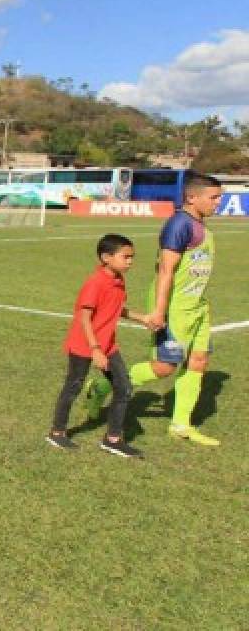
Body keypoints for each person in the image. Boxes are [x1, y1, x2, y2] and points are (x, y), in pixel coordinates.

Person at [86, 172, 224, 446]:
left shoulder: (202, 226)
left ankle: (180, 425)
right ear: (191, 197)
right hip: (174, 307)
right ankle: (102, 386)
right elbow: (165, 271)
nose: (218, 202)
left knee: (198, 362)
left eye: (220, 197)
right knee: (164, 367)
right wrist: (160, 310)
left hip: (197, 307)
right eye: (214, 197)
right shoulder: (178, 225)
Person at [47, 234, 155, 457]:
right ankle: (57, 433)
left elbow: (116, 308)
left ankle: (112, 439)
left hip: (108, 344)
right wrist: (95, 349)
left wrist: (141, 318)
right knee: (74, 386)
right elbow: (84, 317)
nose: (130, 262)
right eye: (125, 257)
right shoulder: (95, 283)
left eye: (132, 257)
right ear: (106, 257)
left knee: (123, 387)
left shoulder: (118, 280)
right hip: (84, 344)